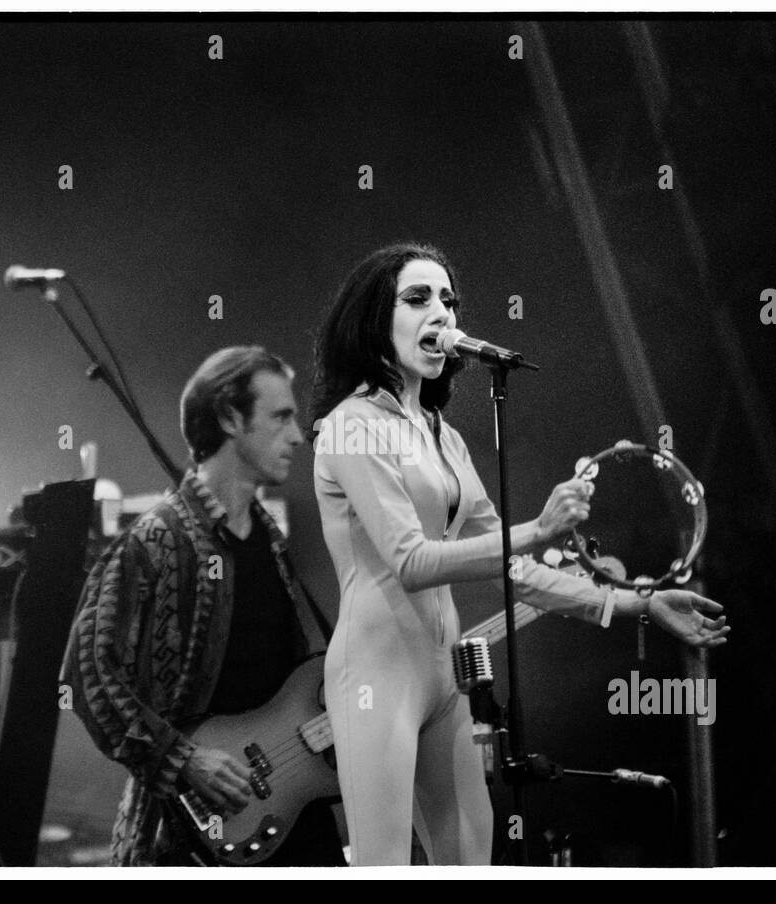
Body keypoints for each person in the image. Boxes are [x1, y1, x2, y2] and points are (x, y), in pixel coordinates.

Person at [310, 243, 731, 866]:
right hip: (375, 674)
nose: (441, 313)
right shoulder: (350, 425)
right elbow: (412, 561)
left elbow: (515, 569)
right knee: (383, 867)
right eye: (418, 298)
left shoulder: (442, 435)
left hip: (444, 677)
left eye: (448, 300)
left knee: (471, 863)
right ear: (374, 318)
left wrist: (636, 602)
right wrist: (539, 527)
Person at [61, 345, 344, 866]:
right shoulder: (155, 540)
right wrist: (183, 759)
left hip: (288, 823)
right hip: (187, 834)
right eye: (280, 417)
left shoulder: (271, 540)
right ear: (230, 418)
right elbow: (88, 674)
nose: (298, 436)